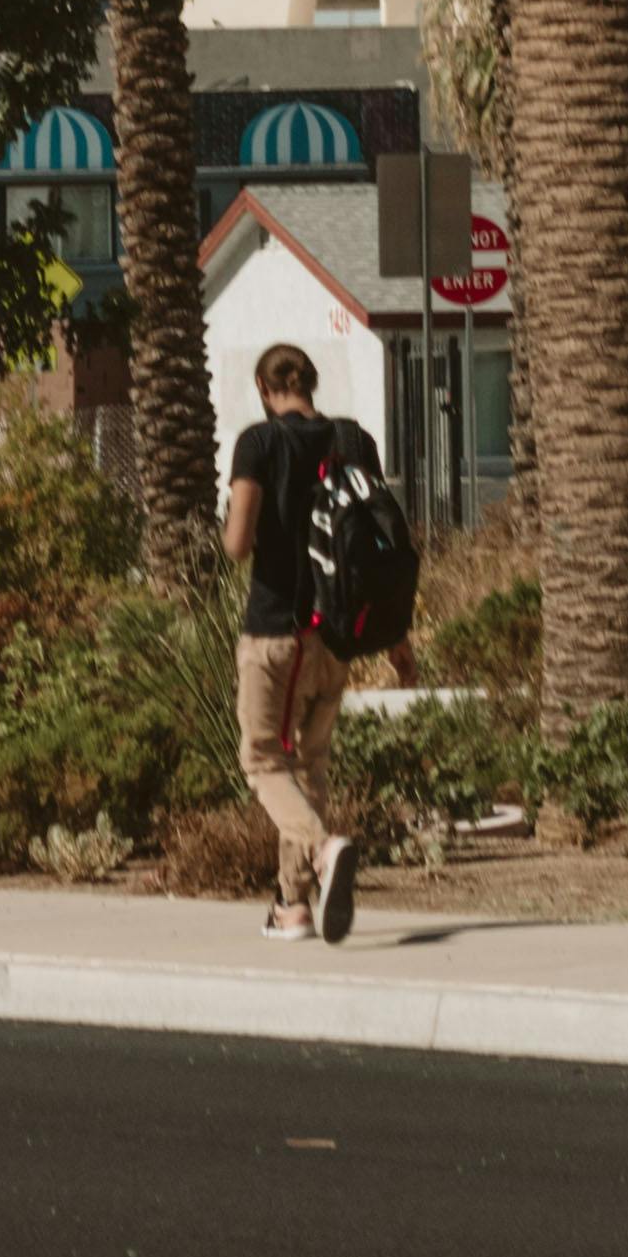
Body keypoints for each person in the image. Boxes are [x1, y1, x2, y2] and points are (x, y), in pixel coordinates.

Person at [224, 341, 402, 944]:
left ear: (263, 388)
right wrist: (396, 640)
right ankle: (293, 906)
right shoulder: (351, 440)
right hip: (336, 639)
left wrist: (237, 508)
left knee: (263, 761)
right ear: (312, 384)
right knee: (309, 766)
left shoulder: (260, 442)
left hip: (275, 632)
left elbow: (238, 543)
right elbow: (380, 545)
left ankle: (323, 850)